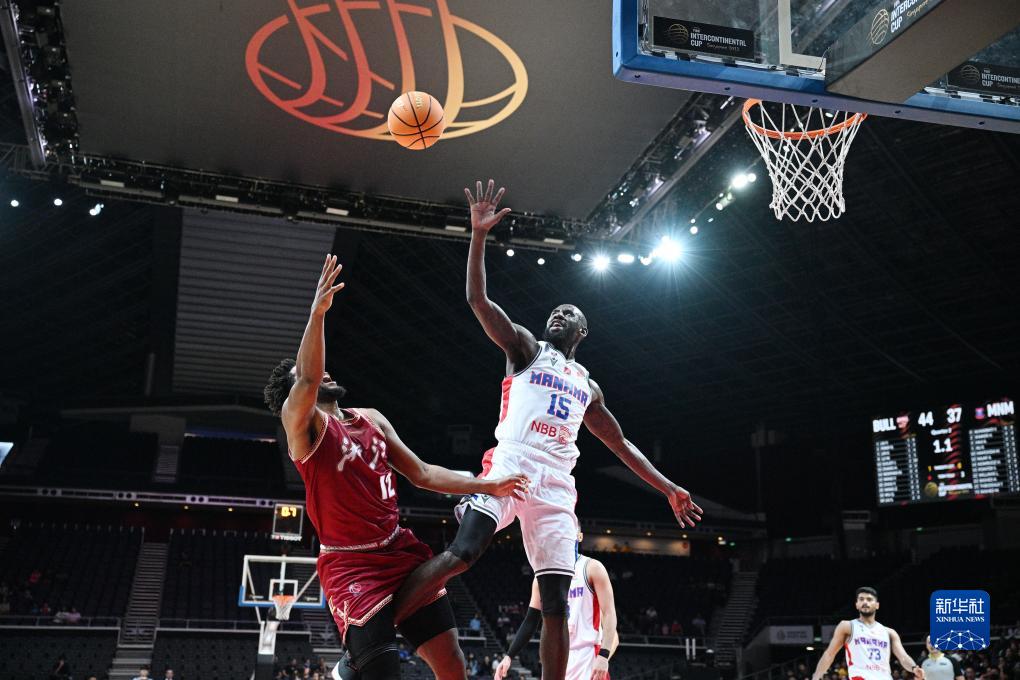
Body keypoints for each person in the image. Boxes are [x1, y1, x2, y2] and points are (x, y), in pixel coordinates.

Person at [390, 179, 702, 680]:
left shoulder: (588, 386)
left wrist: (667, 488)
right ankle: (378, 626)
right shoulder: (526, 349)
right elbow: (477, 299)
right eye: (555, 311)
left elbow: (620, 443)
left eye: (569, 313)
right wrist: (478, 235)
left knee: (555, 602)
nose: (558, 314)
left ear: (583, 332)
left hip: (556, 481)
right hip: (512, 461)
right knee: (463, 553)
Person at [263, 254, 529, 680]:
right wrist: (317, 314)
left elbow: (422, 473)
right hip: (352, 566)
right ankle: (353, 662)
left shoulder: (371, 417)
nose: (323, 371)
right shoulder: (303, 429)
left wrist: (488, 484)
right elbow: (308, 379)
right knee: (384, 672)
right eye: (309, 371)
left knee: (453, 665)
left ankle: (351, 662)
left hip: (396, 549)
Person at [495, 541, 618, 680]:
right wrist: (509, 656)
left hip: (586, 655)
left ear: (579, 536)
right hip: (554, 658)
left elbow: (609, 614)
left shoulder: (592, 567)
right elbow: (531, 620)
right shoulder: (542, 575)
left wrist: (604, 655)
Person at [811, 587, 925, 680]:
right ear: (856, 604)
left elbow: (903, 657)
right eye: (861, 599)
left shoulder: (889, 632)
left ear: (877, 605)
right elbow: (829, 654)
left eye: (869, 599)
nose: (865, 602)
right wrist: (816, 677)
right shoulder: (847, 626)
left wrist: (914, 668)